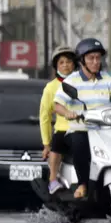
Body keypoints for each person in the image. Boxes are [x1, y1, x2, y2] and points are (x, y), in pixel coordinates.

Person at [53, 38, 111, 199]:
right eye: (91, 58)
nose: (96, 62)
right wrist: (67, 112)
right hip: (80, 128)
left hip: (104, 129)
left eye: (98, 58)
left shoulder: (107, 79)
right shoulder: (71, 81)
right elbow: (57, 105)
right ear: (82, 61)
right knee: (79, 144)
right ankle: (83, 184)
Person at [39, 45, 77, 194]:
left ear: (74, 64)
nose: (65, 65)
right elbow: (45, 117)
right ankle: (53, 180)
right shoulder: (50, 87)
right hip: (63, 129)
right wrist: (46, 144)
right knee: (57, 146)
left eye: (68, 61)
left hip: (85, 128)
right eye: (61, 62)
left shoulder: (83, 83)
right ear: (56, 66)